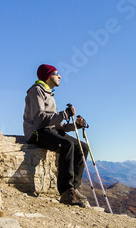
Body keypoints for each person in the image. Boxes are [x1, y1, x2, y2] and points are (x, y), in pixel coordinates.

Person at [23, 64, 89, 207]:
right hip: (37, 132)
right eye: (56, 73)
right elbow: (40, 119)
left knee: (82, 147)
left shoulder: (49, 94)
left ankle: (74, 188)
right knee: (67, 145)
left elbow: (58, 125)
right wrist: (65, 114)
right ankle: (66, 193)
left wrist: (76, 125)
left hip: (50, 130)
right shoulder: (36, 91)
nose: (59, 76)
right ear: (48, 76)